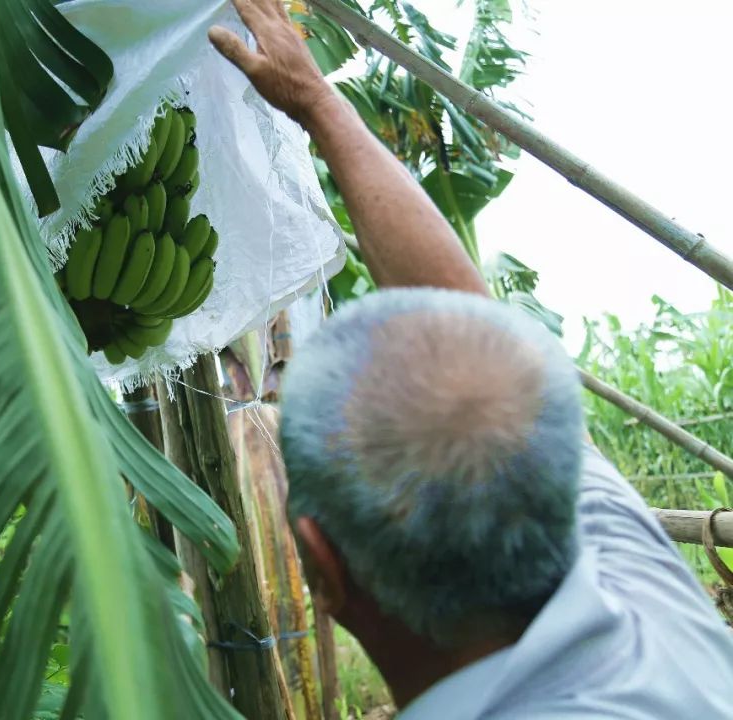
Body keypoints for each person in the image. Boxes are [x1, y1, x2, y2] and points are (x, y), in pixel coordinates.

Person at [208, 1, 733, 717]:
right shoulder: (646, 599)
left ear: (323, 567)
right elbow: (464, 313)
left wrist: (320, 106)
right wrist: (316, 102)